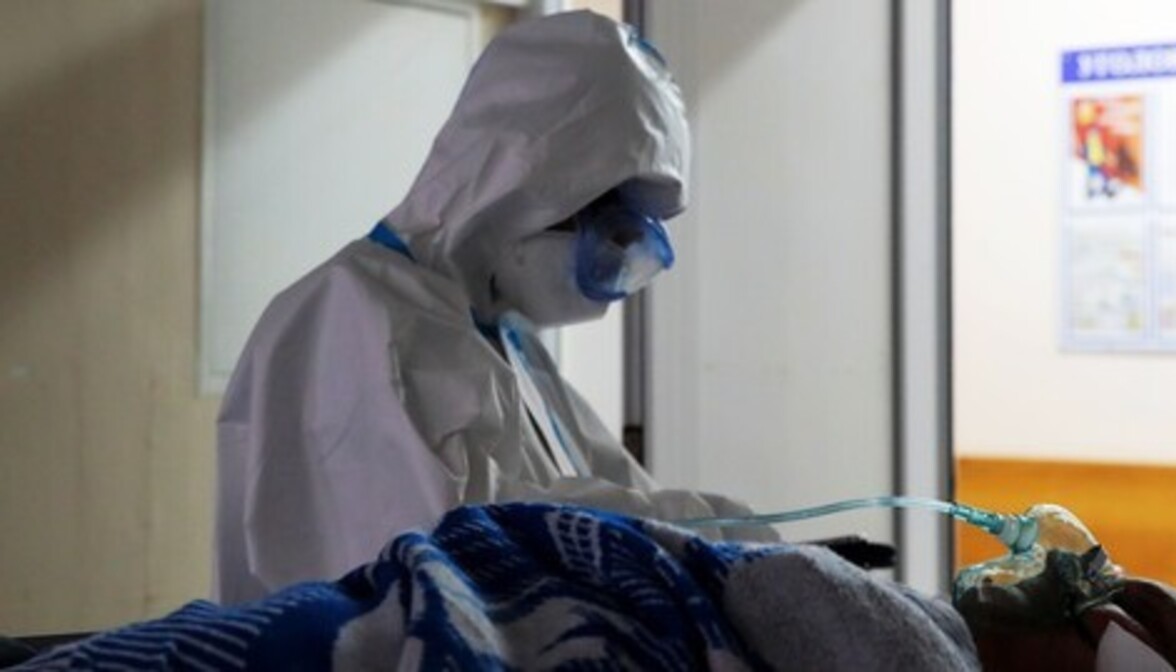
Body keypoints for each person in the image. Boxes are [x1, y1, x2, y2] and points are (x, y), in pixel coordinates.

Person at [214, 10, 769, 605]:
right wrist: (703, 525)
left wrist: (719, 538)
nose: (610, 281)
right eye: (607, 235)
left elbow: (607, 487)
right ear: (519, 197)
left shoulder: (506, 341)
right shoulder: (350, 313)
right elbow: (443, 552)